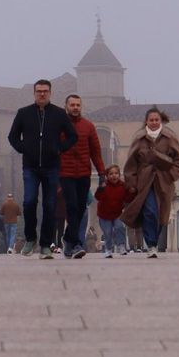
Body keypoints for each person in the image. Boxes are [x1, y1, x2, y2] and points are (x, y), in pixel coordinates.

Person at [7, 78, 74, 259]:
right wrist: (24, 148)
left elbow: (72, 136)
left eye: (45, 91)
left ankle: (45, 245)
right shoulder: (24, 113)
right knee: (29, 202)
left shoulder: (60, 114)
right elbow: (12, 136)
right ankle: (30, 239)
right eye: (39, 91)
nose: (42, 94)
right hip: (30, 166)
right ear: (34, 93)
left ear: (50, 93)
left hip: (52, 166)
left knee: (50, 205)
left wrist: (59, 149)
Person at [121, 107, 179, 257]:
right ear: (146, 121)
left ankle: (154, 242)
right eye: (151, 120)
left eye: (157, 120)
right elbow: (131, 163)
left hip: (163, 181)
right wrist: (131, 183)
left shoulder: (169, 138)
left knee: (161, 213)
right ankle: (151, 244)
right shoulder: (139, 139)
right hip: (145, 182)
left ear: (160, 120)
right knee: (149, 211)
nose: (154, 122)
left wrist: (171, 175)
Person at [58, 94, 107, 259]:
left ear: (81, 107)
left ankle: (68, 239)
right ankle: (78, 243)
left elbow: (96, 153)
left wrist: (102, 173)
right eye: (72, 105)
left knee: (80, 209)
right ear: (66, 106)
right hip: (65, 174)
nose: (75, 107)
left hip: (84, 174)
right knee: (72, 207)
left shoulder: (89, 126)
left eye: (78, 105)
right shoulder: (58, 127)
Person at [94, 166, 136, 257]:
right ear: (107, 176)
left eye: (116, 173)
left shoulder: (123, 186)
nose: (114, 176)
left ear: (119, 175)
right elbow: (97, 197)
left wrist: (132, 193)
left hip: (117, 213)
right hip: (104, 214)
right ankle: (108, 249)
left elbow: (127, 199)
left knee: (119, 227)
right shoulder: (104, 185)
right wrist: (100, 189)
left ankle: (121, 246)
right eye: (111, 174)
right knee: (108, 232)